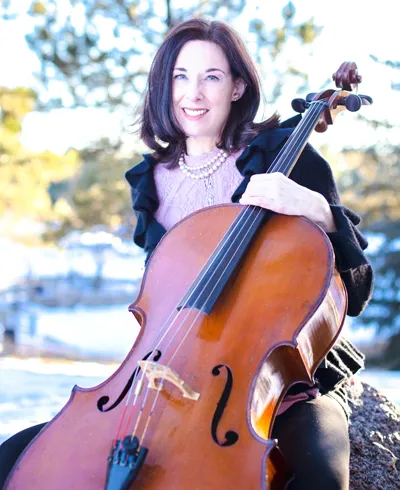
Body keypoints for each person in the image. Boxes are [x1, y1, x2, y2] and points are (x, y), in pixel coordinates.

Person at [0, 18, 373, 490]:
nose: (192, 93)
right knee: (13, 458)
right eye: (181, 76)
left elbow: (355, 292)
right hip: (158, 378)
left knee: (322, 476)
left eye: (211, 77)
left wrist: (318, 210)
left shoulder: (286, 156)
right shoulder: (151, 181)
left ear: (238, 87)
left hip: (269, 386)